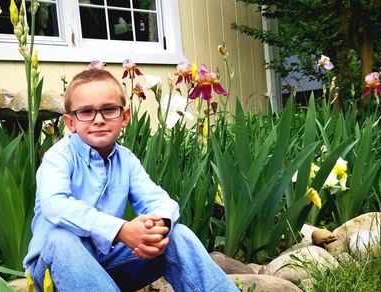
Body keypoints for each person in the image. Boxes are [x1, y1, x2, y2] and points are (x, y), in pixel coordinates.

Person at [23, 69, 237, 291]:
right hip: (54, 269)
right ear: (70, 122)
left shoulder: (125, 159)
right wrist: (120, 231)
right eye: (86, 112)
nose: (98, 120)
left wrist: (157, 226)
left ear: (124, 117)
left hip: (108, 265)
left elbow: (157, 199)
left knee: (177, 234)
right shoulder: (59, 157)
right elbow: (54, 205)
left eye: (108, 110)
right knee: (62, 240)